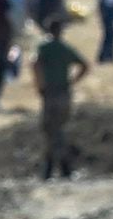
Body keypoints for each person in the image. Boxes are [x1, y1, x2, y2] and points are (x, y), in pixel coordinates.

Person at [35, 15, 89, 181]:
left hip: (50, 92)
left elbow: (36, 65)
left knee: (50, 129)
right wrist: (71, 81)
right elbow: (84, 65)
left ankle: (54, 168)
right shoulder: (65, 48)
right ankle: (60, 168)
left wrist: (40, 85)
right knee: (59, 128)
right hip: (64, 92)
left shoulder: (44, 47)